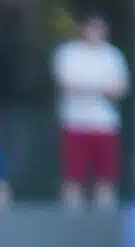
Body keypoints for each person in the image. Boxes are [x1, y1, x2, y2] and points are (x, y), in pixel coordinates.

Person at [51, 13, 128, 210]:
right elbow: (67, 84)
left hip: (105, 125)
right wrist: (100, 88)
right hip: (76, 123)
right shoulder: (69, 53)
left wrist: (86, 87)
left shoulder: (113, 56)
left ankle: (104, 222)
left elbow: (119, 89)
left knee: (106, 180)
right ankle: (70, 223)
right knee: (73, 179)